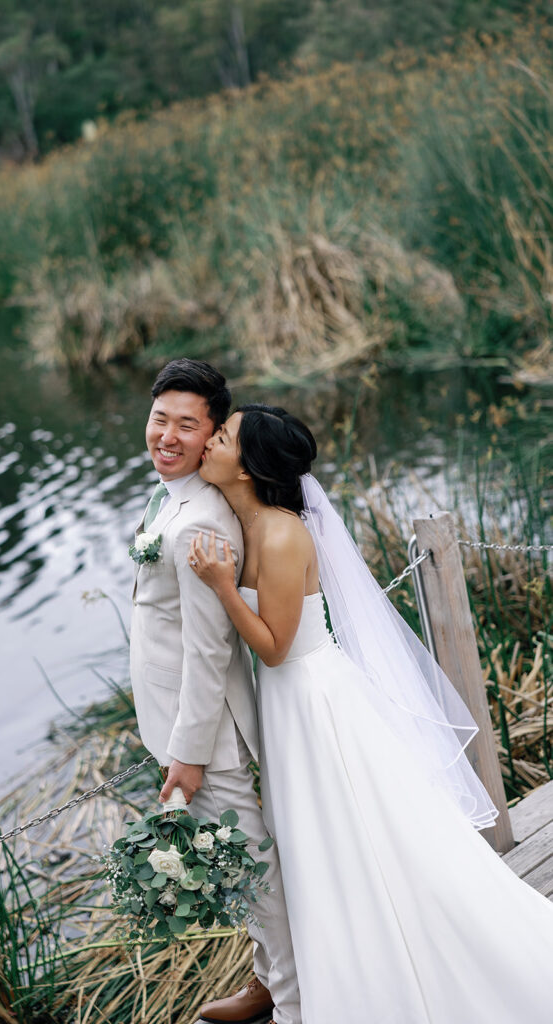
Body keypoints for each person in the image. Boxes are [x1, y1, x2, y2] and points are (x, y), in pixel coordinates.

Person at [189, 402, 553, 1024]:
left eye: (221, 437)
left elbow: (275, 650)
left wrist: (223, 586)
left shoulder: (279, 533)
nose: (210, 443)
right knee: (321, 841)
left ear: (247, 467)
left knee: (354, 833)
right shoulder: (244, 519)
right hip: (290, 708)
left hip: (312, 701)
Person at [129, 362, 300, 1024]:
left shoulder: (202, 523)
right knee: (238, 864)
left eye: (187, 425)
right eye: (158, 419)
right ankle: (267, 982)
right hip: (177, 723)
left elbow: (209, 651)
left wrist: (190, 753)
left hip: (205, 735)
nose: (166, 436)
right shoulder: (172, 495)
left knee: (254, 874)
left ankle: (293, 1007)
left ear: (212, 436)